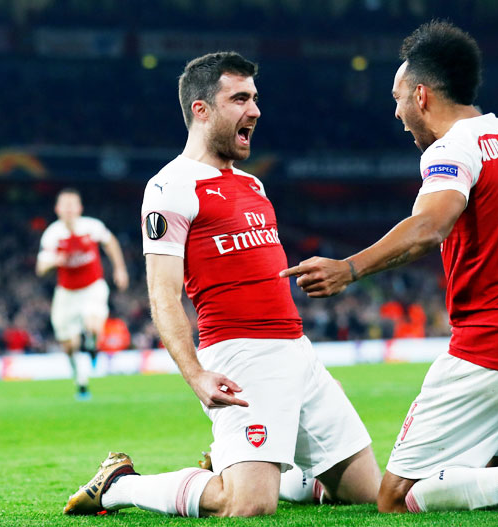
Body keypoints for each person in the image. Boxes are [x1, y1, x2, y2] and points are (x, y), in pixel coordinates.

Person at [281, 21, 498, 512]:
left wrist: (347, 269)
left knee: (397, 498)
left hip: (490, 346)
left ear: (421, 95)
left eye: (396, 98)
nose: (395, 112)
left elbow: (430, 226)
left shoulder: (452, 148)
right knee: (494, 478)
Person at [63, 52, 380, 518]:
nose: (254, 110)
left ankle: (249, 466)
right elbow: (163, 294)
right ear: (201, 109)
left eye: (255, 98)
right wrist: (195, 374)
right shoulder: (170, 187)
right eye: (240, 99)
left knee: (371, 493)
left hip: (297, 351)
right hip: (241, 354)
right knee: (248, 506)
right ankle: (119, 485)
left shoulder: (253, 185)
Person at [36, 188, 128, 399]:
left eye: (72, 205)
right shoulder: (53, 233)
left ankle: (92, 343)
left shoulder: (91, 227)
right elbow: (40, 267)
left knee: (93, 324)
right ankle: (81, 381)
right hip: (67, 294)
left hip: (92, 287)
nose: (69, 209)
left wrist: (120, 269)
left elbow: (110, 242)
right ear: (57, 209)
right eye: (64, 206)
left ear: (79, 208)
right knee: (69, 345)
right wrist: (53, 261)